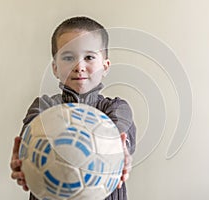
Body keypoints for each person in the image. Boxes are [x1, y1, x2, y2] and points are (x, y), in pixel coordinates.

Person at [10, 16, 136, 200]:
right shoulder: (44, 107)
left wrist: (119, 151)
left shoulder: (116, 108)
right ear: (55, 68)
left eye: (89, 57)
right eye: (68, 57)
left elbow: (121, 135)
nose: (79, 66)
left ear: (105, 66)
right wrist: (23, 156)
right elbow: (30, 138)